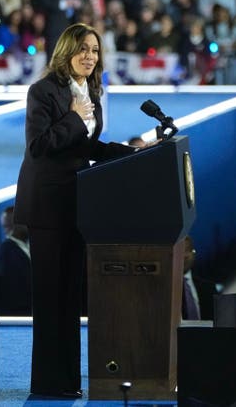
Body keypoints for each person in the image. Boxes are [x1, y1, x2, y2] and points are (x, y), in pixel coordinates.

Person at [13, 23, 140, 399]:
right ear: (66, 51)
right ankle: (48, 383)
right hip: (47, 207)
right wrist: (71, 114)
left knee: (69, 297)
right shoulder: (43, 91)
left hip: (75, 204)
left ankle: (68, 381)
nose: (90, 56)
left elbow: (86, 146)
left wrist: (132, 153)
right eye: (83, 49)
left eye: (95, 50)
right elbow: (39, 146)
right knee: (50, 297)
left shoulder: (91, 92)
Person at [0, 205, 32, 316]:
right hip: (18, 316)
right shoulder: (6, 251)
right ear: (16, 225)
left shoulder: (24, 247)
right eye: (26, 222)